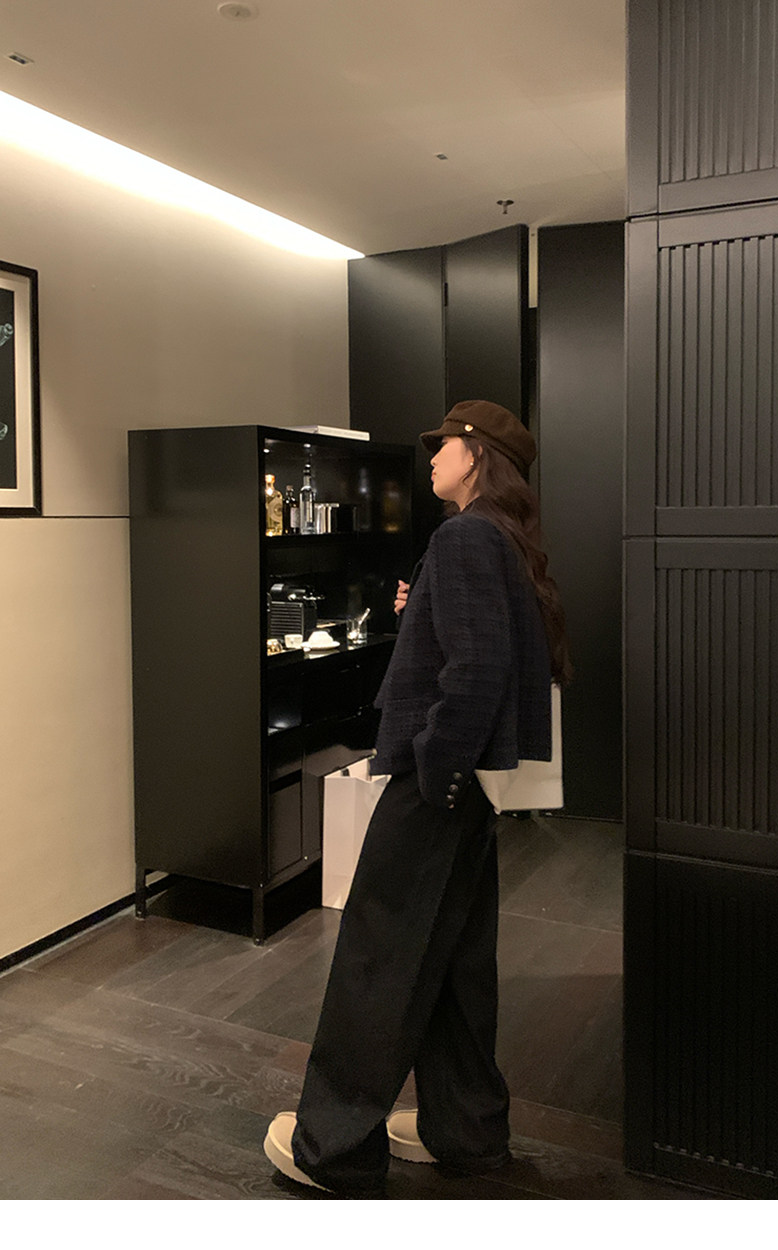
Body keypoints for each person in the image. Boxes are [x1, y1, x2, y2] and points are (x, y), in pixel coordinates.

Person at [264, 400, 571, 1196]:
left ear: (478, 455)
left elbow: (476, 671)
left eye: (445, 445)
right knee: (458, 960)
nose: (431, 456)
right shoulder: (498, 536)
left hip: (441, 784)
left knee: (380, 953)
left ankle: (334, 1148)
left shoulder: (465, 536)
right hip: (470, 786)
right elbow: (488, 648)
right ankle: (467, 1132)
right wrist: (422, 611)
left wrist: (436, 768)